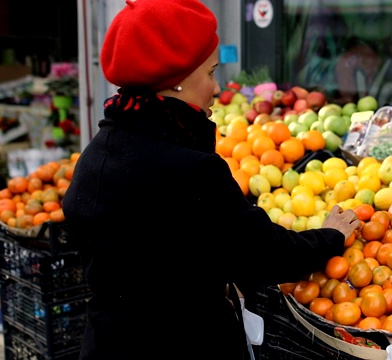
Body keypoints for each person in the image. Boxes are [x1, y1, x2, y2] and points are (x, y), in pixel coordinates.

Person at [61, 1, 361, 359]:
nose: (217, 89)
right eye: (210, 73)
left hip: (107, 344)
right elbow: (262, 253)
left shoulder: (97, 152)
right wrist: (329, 237)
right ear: (175, 80)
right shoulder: (188, 168)